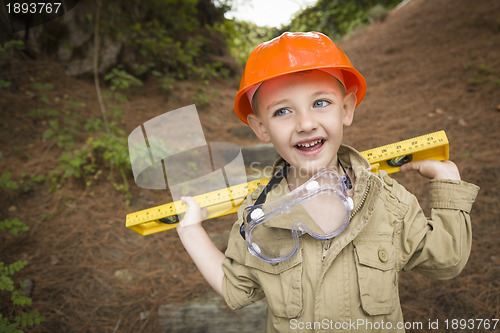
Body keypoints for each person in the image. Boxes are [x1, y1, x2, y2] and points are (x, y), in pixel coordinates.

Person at [176, 32, 479, 332]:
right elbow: (236, 289)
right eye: (282, 111)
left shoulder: (383, 198)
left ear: (346, 109)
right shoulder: (259, 215)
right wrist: (191, 231)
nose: (306, 123)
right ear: (260, 128)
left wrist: (448, 184)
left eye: (320, 103)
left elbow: (446, 259)